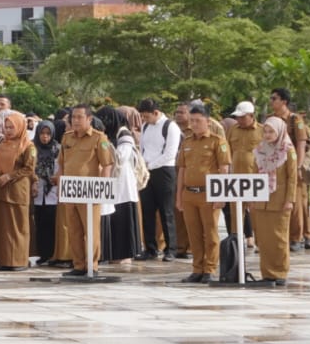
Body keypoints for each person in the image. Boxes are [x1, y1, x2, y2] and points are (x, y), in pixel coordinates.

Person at [53, 105, 114, 276]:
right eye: (73, 117)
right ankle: (78, 265)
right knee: (74, 229)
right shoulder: (67, 138)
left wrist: (103, 189)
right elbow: (62, 164)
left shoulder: (98, 138)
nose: (76, 120)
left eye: (80, 117)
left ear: (89, 119)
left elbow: (107, 164)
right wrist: (60, 186)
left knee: (91, 230)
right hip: (70, 190)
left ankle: (92, 265)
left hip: (90, 191)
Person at [176, 105, 231, 283]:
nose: (194, 124)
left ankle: (210, 268)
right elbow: (182, 171)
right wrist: (179, 196)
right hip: (189, 194)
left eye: (198, 121)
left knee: (210, 233)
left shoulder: (217, 141)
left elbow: (224, 169)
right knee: (194, 234)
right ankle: (197, 268)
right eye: (192, 121)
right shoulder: (187, 142)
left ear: (208, 121)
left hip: (209, 194)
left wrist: (222, 195)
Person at [250, 116, 300, 282]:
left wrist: (290, 200)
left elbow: (292, 178)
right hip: (261, 201)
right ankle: (267, 274)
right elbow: (254, 174)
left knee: (279, 238)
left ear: (280, 131)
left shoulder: (287, 151)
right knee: (264, 240)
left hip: (280, 202)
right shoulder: (260, 149)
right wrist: (251, 196)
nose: (268, 134)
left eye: (271, 131)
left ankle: (280, 273)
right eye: (265, 131)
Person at [267, 89, 310, 251]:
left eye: (274, 98)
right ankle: (295, 235)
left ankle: (299, 236)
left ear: (284, 101)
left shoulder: (295, 120)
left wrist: (299, 167)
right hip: (277, 167)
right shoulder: (270, 120)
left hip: (293, 164)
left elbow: (301, 144)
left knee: (298, 202)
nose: (271, 102)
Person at [96, 105, 143, 264]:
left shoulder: (124, 134)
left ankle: (124, 255)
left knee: (123, 220)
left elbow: (120, 157)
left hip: (123, 186)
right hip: (111, 185)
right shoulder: (105, 136)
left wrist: (104, 147)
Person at [0, 110, 35, 271]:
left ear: (21, 127)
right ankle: (4, 259)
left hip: (17, 192)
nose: (8, 130)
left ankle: (18, 261)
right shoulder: (2, 144)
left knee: (17, 227)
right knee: (3, 227)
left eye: (11, 127)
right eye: (6, 127)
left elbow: (29, 169)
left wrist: (9, 176)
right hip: (0, 190)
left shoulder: (28, 146)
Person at [136, 99, 180, 262]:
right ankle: (150, 248)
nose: (144, 119)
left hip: (164, 171)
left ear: (156, 113)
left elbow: (170, 153)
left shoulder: (170, 126)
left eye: (146, 116)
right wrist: (142, 165)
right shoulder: (146, 126)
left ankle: (171, 248)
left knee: (166, 211)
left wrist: (150, 166)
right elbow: (142, 148)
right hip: (147, 172)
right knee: (147, 211)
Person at [225, 101, 261, 243]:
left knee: (255, 212)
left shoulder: (262, 130)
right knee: (236, 213)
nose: (239, 119)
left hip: (254, 178)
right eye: (237, 117)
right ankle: (236, 242)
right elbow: (227, 151)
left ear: (251, 115)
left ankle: (259, 242)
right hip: (235, 178)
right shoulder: (233, 129)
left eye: (242, 117)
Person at [31, 120, 60, 265]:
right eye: (42, 133)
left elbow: (61, 167)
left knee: (52, 224)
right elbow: (30, 168)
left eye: (48, 134)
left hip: (53, 192)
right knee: (40, 225)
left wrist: (56, 178)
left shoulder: (57, 149)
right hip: (37, 192)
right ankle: (43, 254)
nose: (45, 137)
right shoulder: (32, 148)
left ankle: (52, 254)